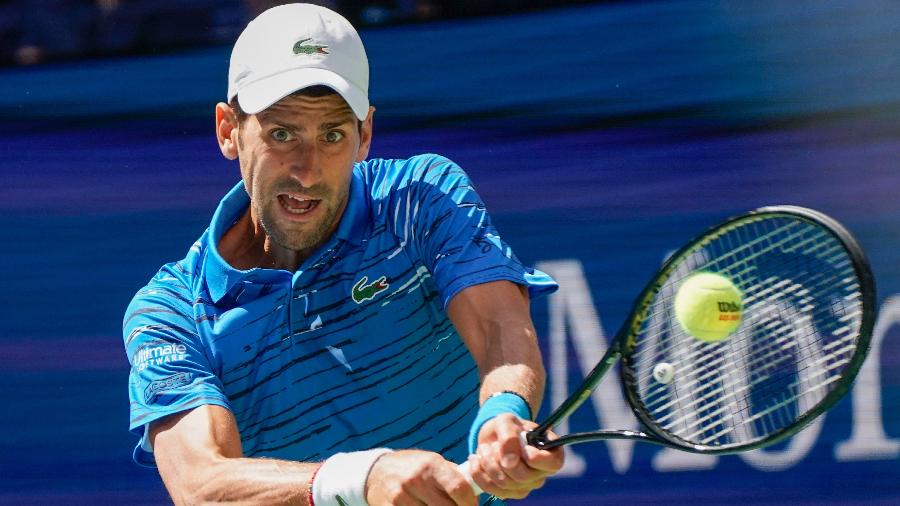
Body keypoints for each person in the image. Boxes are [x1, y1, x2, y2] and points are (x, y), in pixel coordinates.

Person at [123, 3, 563, 505]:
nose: (308, 171)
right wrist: (362, 479)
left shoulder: (419, 198)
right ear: (228, 130)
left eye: (332, 134)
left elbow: (498, 324)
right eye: (281, 133)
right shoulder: (169, 312)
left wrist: (501, 412)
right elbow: (202, 485)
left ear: (365, 134)